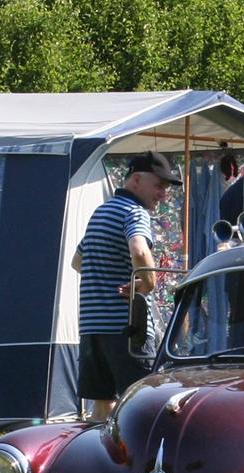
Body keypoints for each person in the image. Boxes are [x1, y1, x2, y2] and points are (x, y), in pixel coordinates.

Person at [72, 150, 181, 422]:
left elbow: (77, 261)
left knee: (101, 407)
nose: (163, 195)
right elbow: (139, 249)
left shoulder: (101, 213)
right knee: (143, 403)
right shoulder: (135, 212)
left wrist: (105, 282)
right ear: (135, 180)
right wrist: (147, 283)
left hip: (92, 329)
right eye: (158, 186)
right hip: (126, 329)